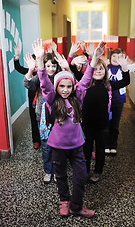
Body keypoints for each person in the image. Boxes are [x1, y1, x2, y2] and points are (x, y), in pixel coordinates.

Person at [32, 39, 107, 218]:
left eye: (69, 86)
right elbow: (44, 83)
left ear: (74, 87)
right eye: (62, 86)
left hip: (77, 146)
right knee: (61, 176)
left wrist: (94, 60)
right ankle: (64, 201)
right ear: (56, 87)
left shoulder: (77, 96)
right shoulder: (52, 99)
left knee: (80, 176)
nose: (65, 90)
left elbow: (87, 79)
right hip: (57, 145)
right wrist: (40, 62)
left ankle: (76, 206)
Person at [82, 54, 130, 183]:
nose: (98, 71)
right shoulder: (85, 84)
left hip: (102, 126)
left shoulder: (108, 85)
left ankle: (98, 171)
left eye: (101, 69)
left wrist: (125, 67)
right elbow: (74, 72)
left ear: (105, 71)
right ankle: (85, 171)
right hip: (86, 125)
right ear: (90, 71)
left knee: (100, 150)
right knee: (86, 151)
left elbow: (125, 82)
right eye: (95, 69)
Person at [23, 52, 61, 184]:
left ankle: (56, 171)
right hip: (42, 117)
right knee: (45, 146)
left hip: (57, 117)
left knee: (57, 146)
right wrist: (30, 69)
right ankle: (48, 171)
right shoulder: (40, 77)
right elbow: (27, 84)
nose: (51, 69)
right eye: (48, 66)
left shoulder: (59, 78)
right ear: (43, 66)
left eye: (54, 66)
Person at [13, 46, 40, 149]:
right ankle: (36, 140)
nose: (36, 64)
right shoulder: (30, 72)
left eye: (38, 61)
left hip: (43, 100)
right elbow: (18, 67)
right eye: (34, 62)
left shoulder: (45, 72)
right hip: (33, 100)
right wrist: (16, 56)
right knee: (33, 119)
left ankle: (45, 139)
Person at [105, 48, 130, 155]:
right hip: (106, 101)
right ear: (110, 57)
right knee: (106, 124)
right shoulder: (106, 68)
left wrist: (125, 66)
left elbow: (125, 80)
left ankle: (113, 145)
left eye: (119, 57)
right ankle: (106, 145)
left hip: (118, 101)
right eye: (114, 56)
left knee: (115, 125)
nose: (116, 59)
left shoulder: (123, 69)